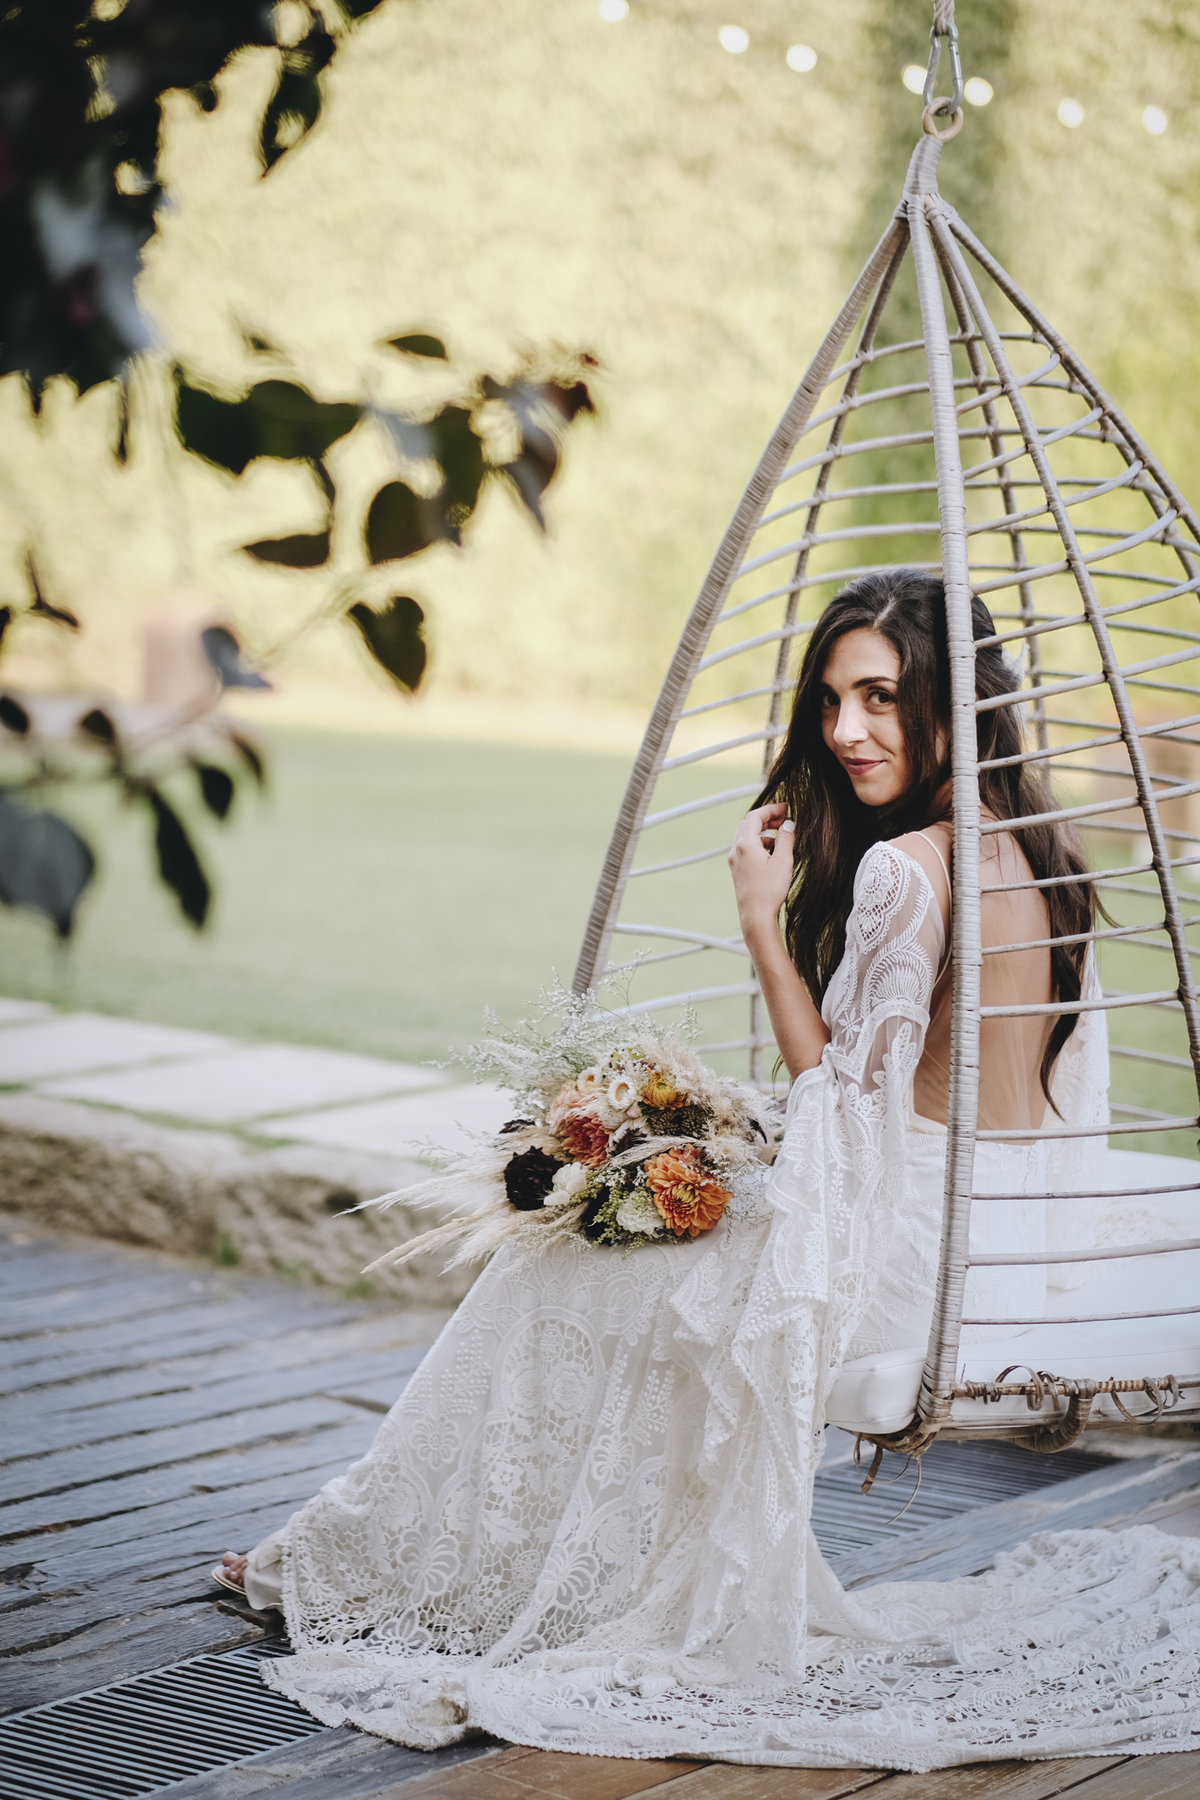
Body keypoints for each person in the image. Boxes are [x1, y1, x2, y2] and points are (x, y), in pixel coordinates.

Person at [214, 569, 1199, 1770]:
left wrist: (757, 919)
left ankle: (367, 1563)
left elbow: (841, 1114)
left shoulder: (909, 872)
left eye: (883, 697)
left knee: (558, 1271)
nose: (845, 732)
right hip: (970, 1236)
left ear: (958, 697)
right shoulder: (1041, 849)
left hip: (895, 1260)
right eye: (833, 701)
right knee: (607, 1255)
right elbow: (1038, 1109)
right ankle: (436, 1557)